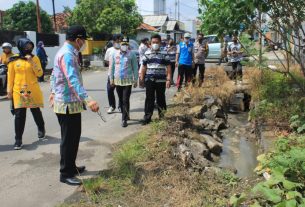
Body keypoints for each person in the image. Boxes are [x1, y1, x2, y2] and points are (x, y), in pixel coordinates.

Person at [49, 25, 99, 186]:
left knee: (74, 137)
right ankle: (65, 173)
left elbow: (53, 75)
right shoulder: (67, 55)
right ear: (78, 40)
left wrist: (51, 91)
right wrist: (88, 99)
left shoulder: (68, 53)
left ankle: (71, 166)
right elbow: (72, 80)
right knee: (68, 139)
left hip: (70, 102)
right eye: (83, 40)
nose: (84, 43)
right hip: (66, 103)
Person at [7, 38, 46, 150]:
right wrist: (9, 91)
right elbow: (10, 78)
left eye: (30, 46)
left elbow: (39, 74)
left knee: (35, 111)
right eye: (26, 47)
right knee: (19, 115)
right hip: (18, 91)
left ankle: (41, 128)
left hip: (32, 90)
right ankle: (18, 139)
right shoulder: (13, 60)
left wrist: (32, 62)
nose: (28, 49)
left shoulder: (35, 58)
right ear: (21, 47)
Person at [140, 34, 171, 125]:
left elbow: (168, 67)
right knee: (149, 98)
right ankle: (147, 117)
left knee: (161, 98)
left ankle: (162, 116)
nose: (155, 44)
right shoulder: (147, 53)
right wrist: (142, 78)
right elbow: (144, 67)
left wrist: (168, 79)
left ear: (160, 43)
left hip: (161, 80)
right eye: (153, 42)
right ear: (150, 43)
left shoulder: (164, 53)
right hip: (149, 80)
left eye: (157, 42)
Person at [110, 37, 138, 127]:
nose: (124, 46)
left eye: (126, 44)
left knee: (125, 99)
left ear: (128, 45)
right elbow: (112, 67)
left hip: (128, 81)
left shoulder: (132, 54)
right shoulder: (115, 54)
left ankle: (124, 119)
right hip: (118, 81)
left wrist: (135, 80)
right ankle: (125, 114)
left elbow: (135, 68)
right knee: (121, 100)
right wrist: (111, 79)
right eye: (123, 44)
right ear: (120, 44)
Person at [104, 34, 122, 114]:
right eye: (116, 41)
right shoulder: (109, 50)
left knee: (120, 91)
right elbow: (107, 61)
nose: (118, 43)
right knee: (110, 90)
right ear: (113, 41)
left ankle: (121, 106)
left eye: (120, 41)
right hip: (111, 74)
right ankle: (112, 106)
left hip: (121, 75)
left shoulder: (124, 49)